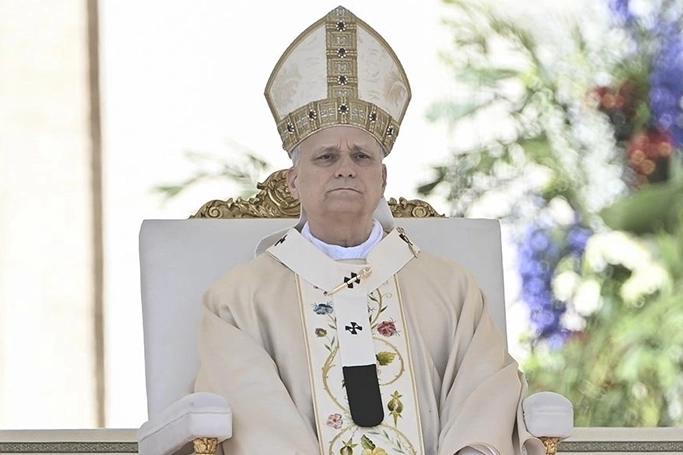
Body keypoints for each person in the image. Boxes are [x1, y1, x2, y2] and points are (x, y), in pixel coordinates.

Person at [195, 6, 545, 455]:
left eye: (361, 156)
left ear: (382, 179)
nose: (345, 169)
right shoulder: (238, 301)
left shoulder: (452, 289)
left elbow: (486, 391)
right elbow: (254, 416)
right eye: (326, 157)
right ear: (293, 180)